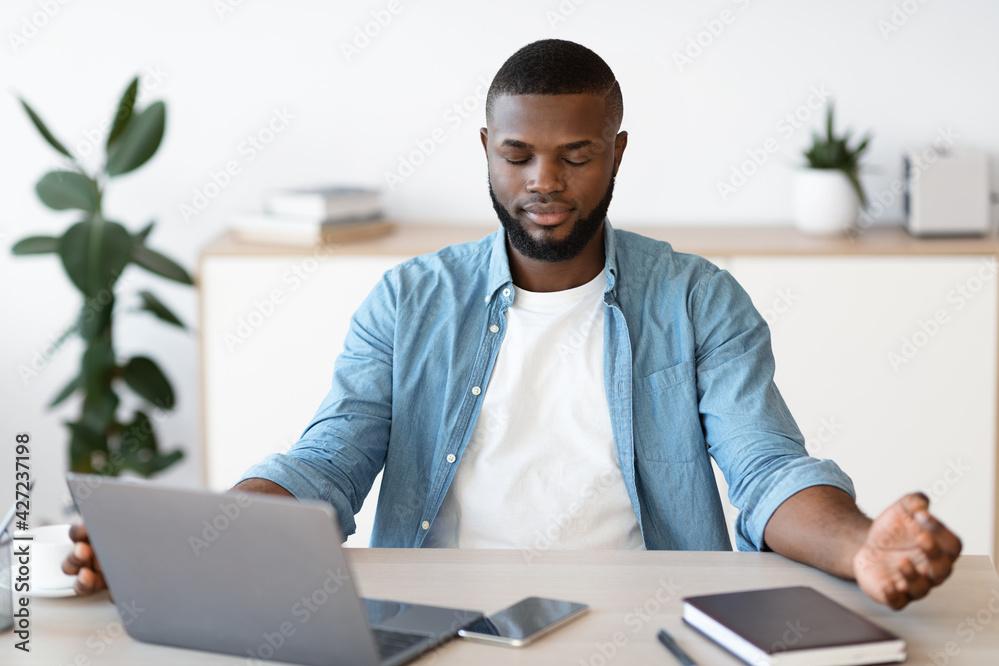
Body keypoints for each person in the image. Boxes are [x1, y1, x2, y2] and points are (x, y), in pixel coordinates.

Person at [64, 39, 960, 610]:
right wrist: (201, 543)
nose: (544, 181)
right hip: (441, 618)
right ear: (485, 151)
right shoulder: (409, 300)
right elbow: (328, 463)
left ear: (615, 153)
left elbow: (765, 470)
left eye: (575, 156)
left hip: (646, 619)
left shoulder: (697, 299)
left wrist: (857, 545)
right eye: (518, 154)